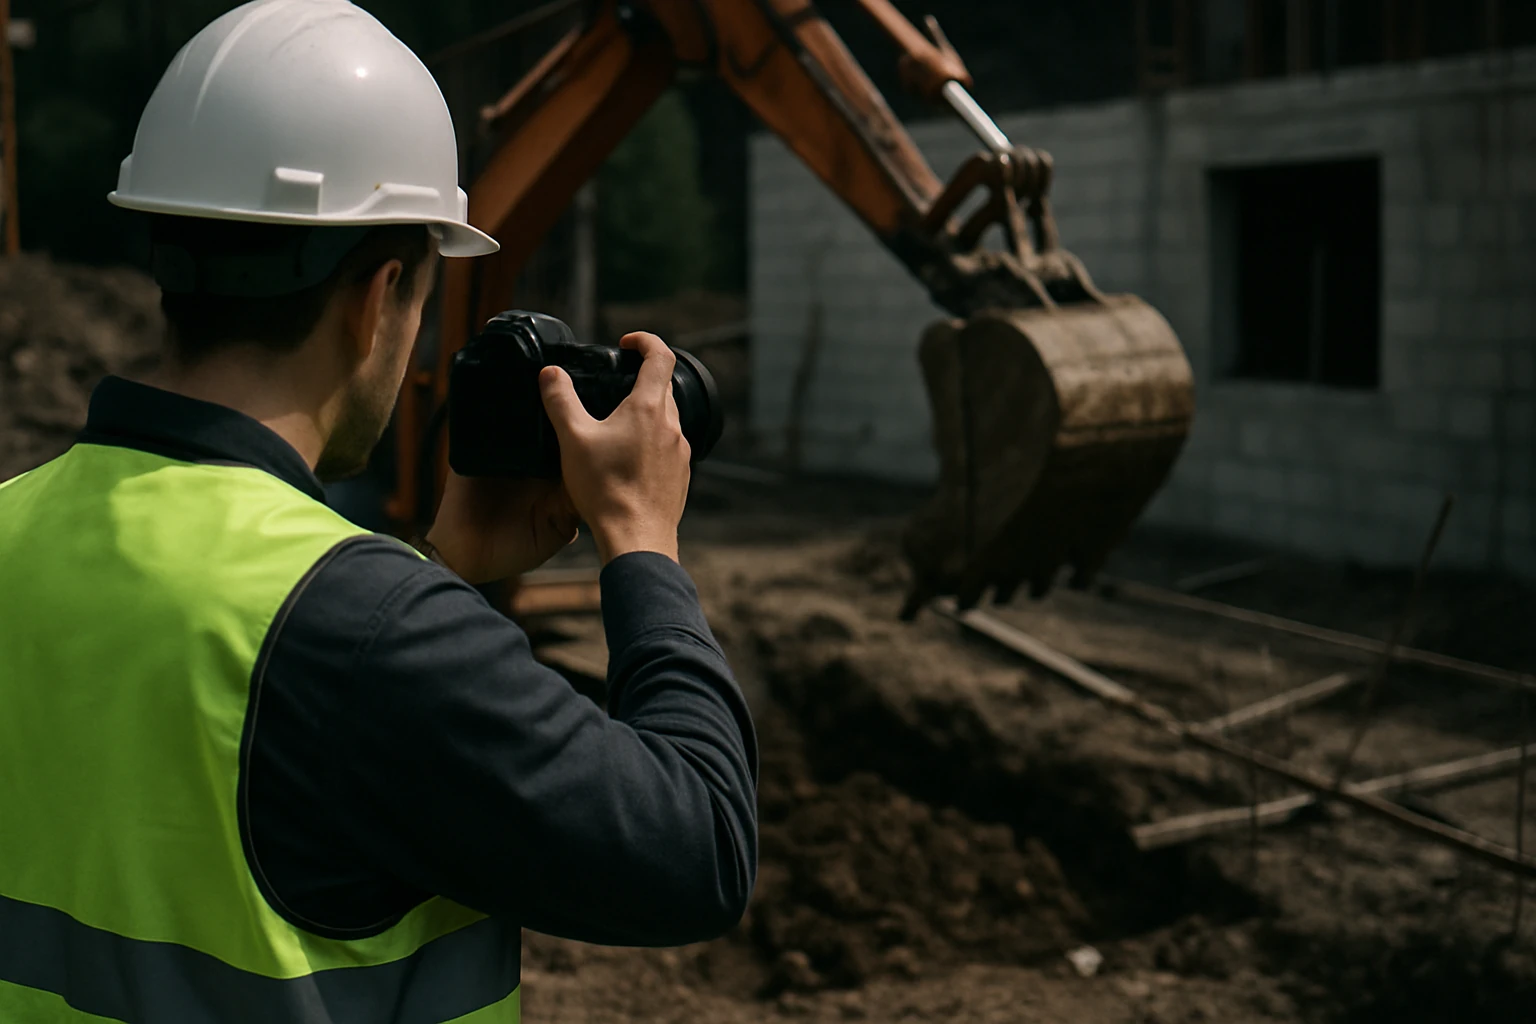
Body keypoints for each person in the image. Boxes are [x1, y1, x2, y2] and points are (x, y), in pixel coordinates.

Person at [0, 2, 757, 1021]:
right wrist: (641, 542)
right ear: (380, 295)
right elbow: (698, 849)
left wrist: (443, 571)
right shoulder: (362, 631)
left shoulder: (12, 529)